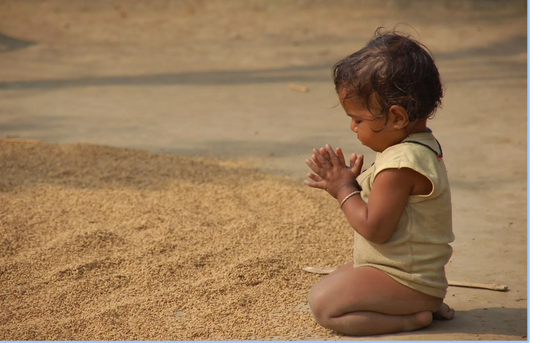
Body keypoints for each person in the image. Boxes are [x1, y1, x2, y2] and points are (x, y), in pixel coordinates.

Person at [303, 28, 455, 336]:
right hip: (408, 271)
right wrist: (358, 185)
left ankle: (413, 316)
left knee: (323, 305)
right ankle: (418, 301)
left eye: (358, 119)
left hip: (407, 278)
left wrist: (343, 189)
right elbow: (399, 212)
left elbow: (376, 229)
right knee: (335, 281)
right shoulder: (417, 147)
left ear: (397, 117)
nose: (352, 127)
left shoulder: (399, 165)